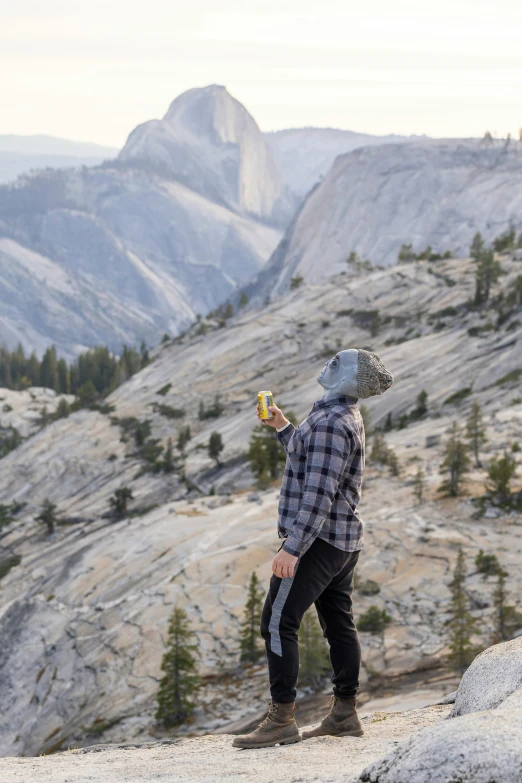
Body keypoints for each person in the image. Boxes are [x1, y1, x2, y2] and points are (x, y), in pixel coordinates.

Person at [232, 348, 394, 750]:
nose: (327, 364)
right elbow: (312, 464)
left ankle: (281, 719)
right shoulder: (339, 415)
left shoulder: (330, 423)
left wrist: (293, 548)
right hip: (342, 541)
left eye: (336, 363)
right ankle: (344, 715)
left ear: (347, 378)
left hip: (317, 541)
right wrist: (284, 427)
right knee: (338, 623)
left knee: (276, 620)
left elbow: (318, 494)